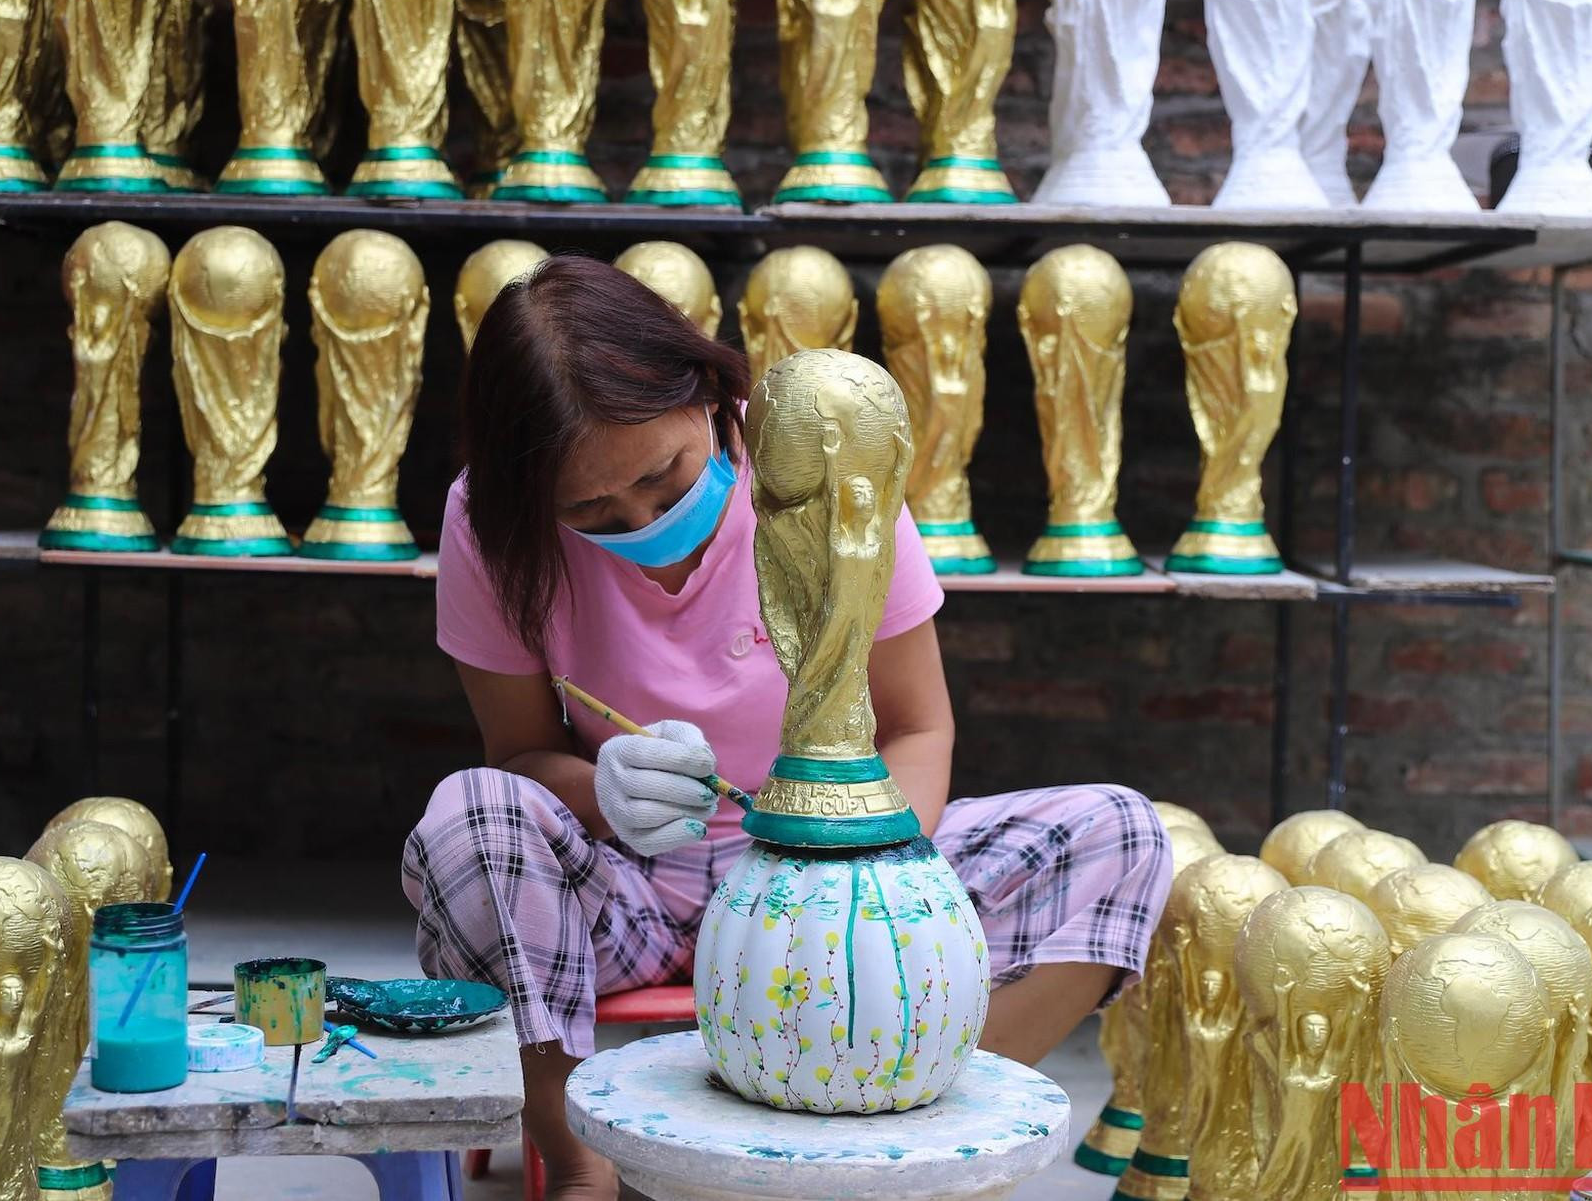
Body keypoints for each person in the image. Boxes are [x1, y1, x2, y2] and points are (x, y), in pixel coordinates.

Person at [404, 255, 1171, 1201]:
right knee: (469, 818)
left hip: (837, 876)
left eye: (664, 476)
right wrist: (599, 791)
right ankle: (580, 1162)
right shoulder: (489, 526)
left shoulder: (827, 472)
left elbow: (919, 729)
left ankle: (915, 1146)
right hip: (630, 885)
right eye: (592, 510)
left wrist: (866, 881)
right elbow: (515, 758)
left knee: (1123, 834)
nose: (642, 518)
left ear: (707, 391)